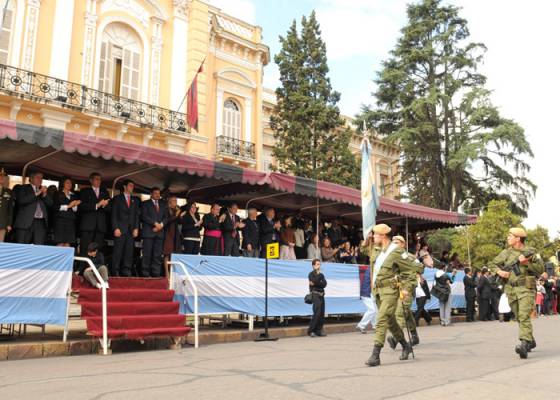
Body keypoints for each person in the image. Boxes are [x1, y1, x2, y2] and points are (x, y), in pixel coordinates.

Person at [364, 224, 415, 367]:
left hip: (391, 291)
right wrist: (365, 242)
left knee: (381, 319)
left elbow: (410, 271)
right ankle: (405, 345)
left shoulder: (396, 251)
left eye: (375, 235)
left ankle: (375, 355)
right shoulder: (377, 250)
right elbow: (365, 252)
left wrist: (406, 288)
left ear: (382, 236)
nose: (373, 237)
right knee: (391, 322)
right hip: (378, 292)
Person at [488, 227, 544, 359]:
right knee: (518, 317)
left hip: (526, 289)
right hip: (511, 289)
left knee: (524, 316)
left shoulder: (531, 252)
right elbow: (492, 263)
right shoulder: (506, 253)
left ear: (518, 238)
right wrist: (500, 272)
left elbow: (540, 269)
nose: (507, 238)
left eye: (510, 235)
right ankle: (530, 340)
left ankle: (524, 344)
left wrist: (527, 264)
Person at [387, 235, 423, 348]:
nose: (394, 244)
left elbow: (420, 267)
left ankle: (395, 338)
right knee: (406, 313)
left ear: (403, 244)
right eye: (393, 242)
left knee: (400, 312)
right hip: (396, 288)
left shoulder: (408, 256)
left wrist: (408, 270)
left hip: (406, 287)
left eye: (397, 242)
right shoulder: (391, 257)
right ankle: (414, 336)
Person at [14, 171, 53, 245]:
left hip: (40, 223)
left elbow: (51, 204)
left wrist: (44, 194)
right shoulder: (23, 188)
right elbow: (21, 201)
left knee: (39, 246)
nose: (40, 180)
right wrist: (37, 193)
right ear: (31, 179)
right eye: (38, 177)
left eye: (41, 178)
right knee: (22, 246)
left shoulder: (43, 190)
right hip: (26, 222)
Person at [110, 179, 139, 277]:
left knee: (129, 251)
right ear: (124, 187)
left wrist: (136, 228)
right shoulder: (117, 198)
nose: (132, 187)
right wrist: (115, 228)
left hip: (130, 230)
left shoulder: (134, 200)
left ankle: (126, 270)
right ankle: (115, 271)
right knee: (118, 251)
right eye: (130, 185)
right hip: (120, 229)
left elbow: (136, 215)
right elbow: (113, 215)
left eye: (133, 186)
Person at [78, 172, 111, 255]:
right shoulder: (84, 191)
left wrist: (104, 206)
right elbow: (81, 206)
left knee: (97, 249)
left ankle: (96, 266)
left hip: (100, 226)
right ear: (91, 180)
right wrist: (97, 205)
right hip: (88, 225)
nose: (98, 181)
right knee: (85, 248)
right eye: (96, 179)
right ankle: (83, 266)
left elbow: (110, 208)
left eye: (100, 179)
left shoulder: (105, 192)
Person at [140, 187, 166, 277]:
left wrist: (161, 225)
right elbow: (144, 216)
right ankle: (145, 273)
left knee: (157, 254)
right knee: (147, 254)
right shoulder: (145, 203)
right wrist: (155, 224)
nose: (157, 195)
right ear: (151, 194)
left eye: (158, 193)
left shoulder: (163, 204)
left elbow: (166, 217)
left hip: (159, 233)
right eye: (155, 193)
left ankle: (156, 273)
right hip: (148, 232)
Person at [53, 177, 81, 247]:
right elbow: (55, 207)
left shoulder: (74, 195)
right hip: (60, 220)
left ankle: (66, 258)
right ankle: (58, 258)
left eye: (70, 183)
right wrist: (68, 206)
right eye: (67, 182)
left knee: (68, 243)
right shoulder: (57, 193)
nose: (69, 184)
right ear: (63, 184)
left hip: (71, 220)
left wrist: (75, 205)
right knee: (60, 242)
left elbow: (75, 210)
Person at [162, 196, 182, 278]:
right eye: (174, 200)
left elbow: (180, 222)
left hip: (175, 234)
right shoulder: (166, 210)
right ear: (169, 201)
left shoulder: (176, 210)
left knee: (174, 254)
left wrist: (179, 214)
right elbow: (167, 221)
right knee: (167, 253)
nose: (175, 202)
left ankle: (172, 273)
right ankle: (167, 273)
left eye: (176, 201)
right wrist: (176, 215)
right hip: (168, 233)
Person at [307, 258, 327, 337]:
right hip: (315, 294)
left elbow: (324, 284)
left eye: (319, 264)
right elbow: (313, 282)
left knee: (322, 313)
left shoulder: (322, 274)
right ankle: (311, 330)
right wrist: (318, 279)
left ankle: (319, 330)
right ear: (313, 265)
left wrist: (317, 282)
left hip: (322, 295)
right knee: (317, 312)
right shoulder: (311, 274)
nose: (319, 266)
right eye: (317, 264)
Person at [357, 264, 377, 334]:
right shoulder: (372, 270)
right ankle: (361, 325)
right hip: (366, 292)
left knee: (375, 309)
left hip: (369, 292)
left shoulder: (372, 269)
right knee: (372, 310)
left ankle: (375, 326)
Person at [0, 168, 14, 242]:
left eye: (3, 176)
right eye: (0, 176)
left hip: (2, 224)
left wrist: (9, 224)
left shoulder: (8, 191)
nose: (2, 178)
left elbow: (10, 210)